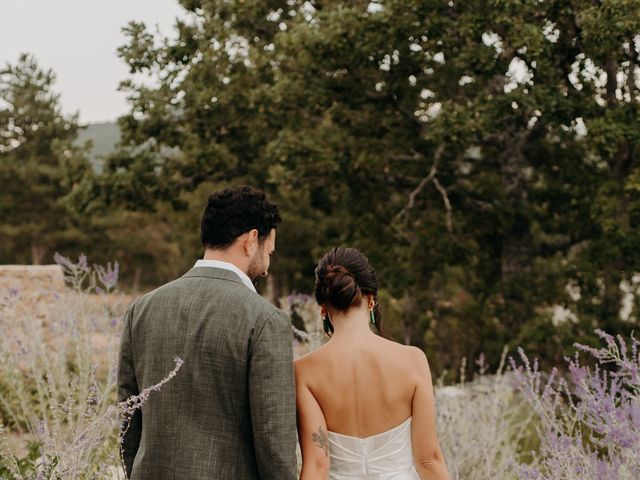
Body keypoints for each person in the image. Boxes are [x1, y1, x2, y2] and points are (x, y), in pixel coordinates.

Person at [117, 185, 297, 480]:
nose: (267, 266)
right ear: (252, 241)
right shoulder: (265, 321)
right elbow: (274, 444)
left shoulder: (142, 309)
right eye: (269, 252)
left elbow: (129, 419)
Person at [295, 247, 450, 480]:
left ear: (324, 309)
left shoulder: (304, 372)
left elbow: (317, 466)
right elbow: (428, 460)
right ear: (372, 300)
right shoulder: (413, 360)